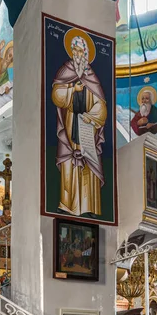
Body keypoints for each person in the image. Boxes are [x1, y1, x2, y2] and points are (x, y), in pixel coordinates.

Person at [52, 34, 107, 217]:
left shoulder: (91, 76)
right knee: (69, 163)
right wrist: (71, 90)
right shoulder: (66, 70)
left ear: (86, 53)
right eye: (75, 50)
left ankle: (88, 206)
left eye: (81, 51)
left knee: (88, 167)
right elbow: (56, 95)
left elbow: (101, 104)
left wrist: (91, 116)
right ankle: (68, 205)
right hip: (69, 128)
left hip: (87, 130)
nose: (78, 54)